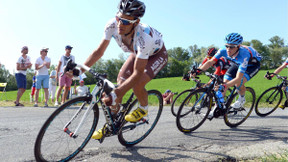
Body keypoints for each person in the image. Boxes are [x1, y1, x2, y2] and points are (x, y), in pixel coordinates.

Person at [82, 0, 167, 140]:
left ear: (136, 22)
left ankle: (143, 109)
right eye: (119, 19)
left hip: (156, 55)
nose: (120, 24)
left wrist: (116, 93)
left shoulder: (145, 37)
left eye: (126, 22)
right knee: (120, 83)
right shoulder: (112, 25)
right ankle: (111, 124)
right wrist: (80, 70)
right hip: (137, 53)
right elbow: (98, 52)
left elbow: (137, 73)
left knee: (137, 84)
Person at [193, 33, 261, 109]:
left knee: (238, 83)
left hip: (252, 65)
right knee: (223, 83)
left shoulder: (244, 54)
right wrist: (197, 71)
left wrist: (226, 86)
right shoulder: (223, 50)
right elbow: (210, 62)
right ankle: (218, 108)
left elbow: (238, 78)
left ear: (238, 46)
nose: (228, 49)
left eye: (232, 47)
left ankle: (241, 99)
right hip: (237, 63)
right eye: (227, 46)